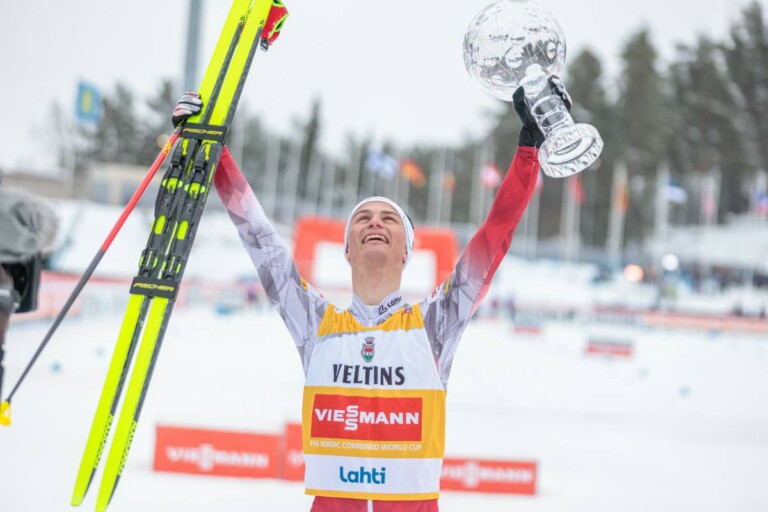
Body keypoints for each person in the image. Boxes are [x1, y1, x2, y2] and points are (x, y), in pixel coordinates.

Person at [173, 76, 571, 511]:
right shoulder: (316, 323)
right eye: (362, 218)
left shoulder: (435, 325)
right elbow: (259, 239)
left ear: (407, 251)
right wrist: (215, 154)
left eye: (389, 218)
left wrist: (528, 150)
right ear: (346, 249)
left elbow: (495, 236)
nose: (375, 223)